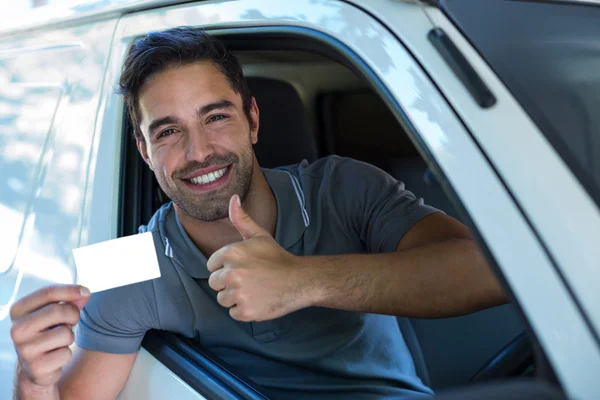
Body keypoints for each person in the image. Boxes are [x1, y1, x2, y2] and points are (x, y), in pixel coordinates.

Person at [10, 27, 506, 400]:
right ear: (144, 151)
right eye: (168, 132)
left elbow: (491, 273)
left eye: (216, 117)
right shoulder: (123, 264)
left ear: (252, 119)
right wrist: (32, 380)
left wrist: (303, 281)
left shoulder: (343, 187)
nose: (199, 151)